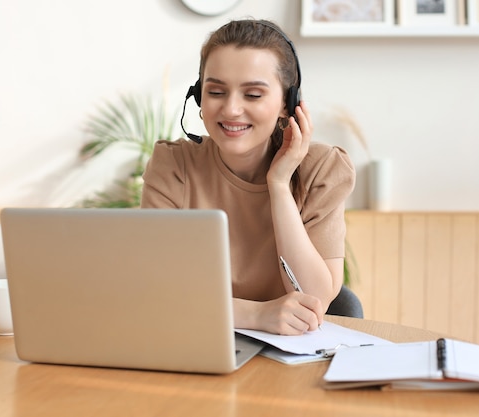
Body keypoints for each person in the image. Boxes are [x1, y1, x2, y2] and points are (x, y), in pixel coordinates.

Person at [140, 18, 355, 335]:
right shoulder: (174, 166)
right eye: (216, 91)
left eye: (253, 95)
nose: (230, 109)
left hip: (293, 356)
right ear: (199, 97)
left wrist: (279, 184)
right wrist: (253, 315)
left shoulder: (321, 169)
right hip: (197, 340)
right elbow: (155, 291)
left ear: (287, 104)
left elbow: (314, 298)